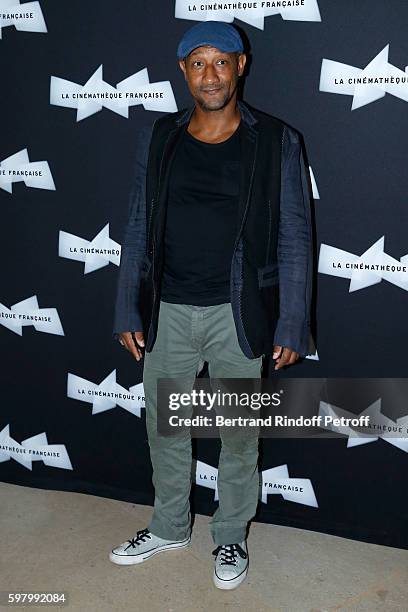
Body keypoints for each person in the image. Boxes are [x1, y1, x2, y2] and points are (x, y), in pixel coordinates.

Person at [109, 20, 313, 590]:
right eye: (198, 63)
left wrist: (293, 320)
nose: (210, 74)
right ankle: (171, 525)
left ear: (240, 66)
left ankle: (229, 538)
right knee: (165, 429)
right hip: (167, 310)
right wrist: (128, 307)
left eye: (221, 61)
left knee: (239, 434)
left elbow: (296, 233)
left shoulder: (276, 140)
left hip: (240, 315)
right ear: (183, 72)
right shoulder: (159, 137)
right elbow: (135, 224)